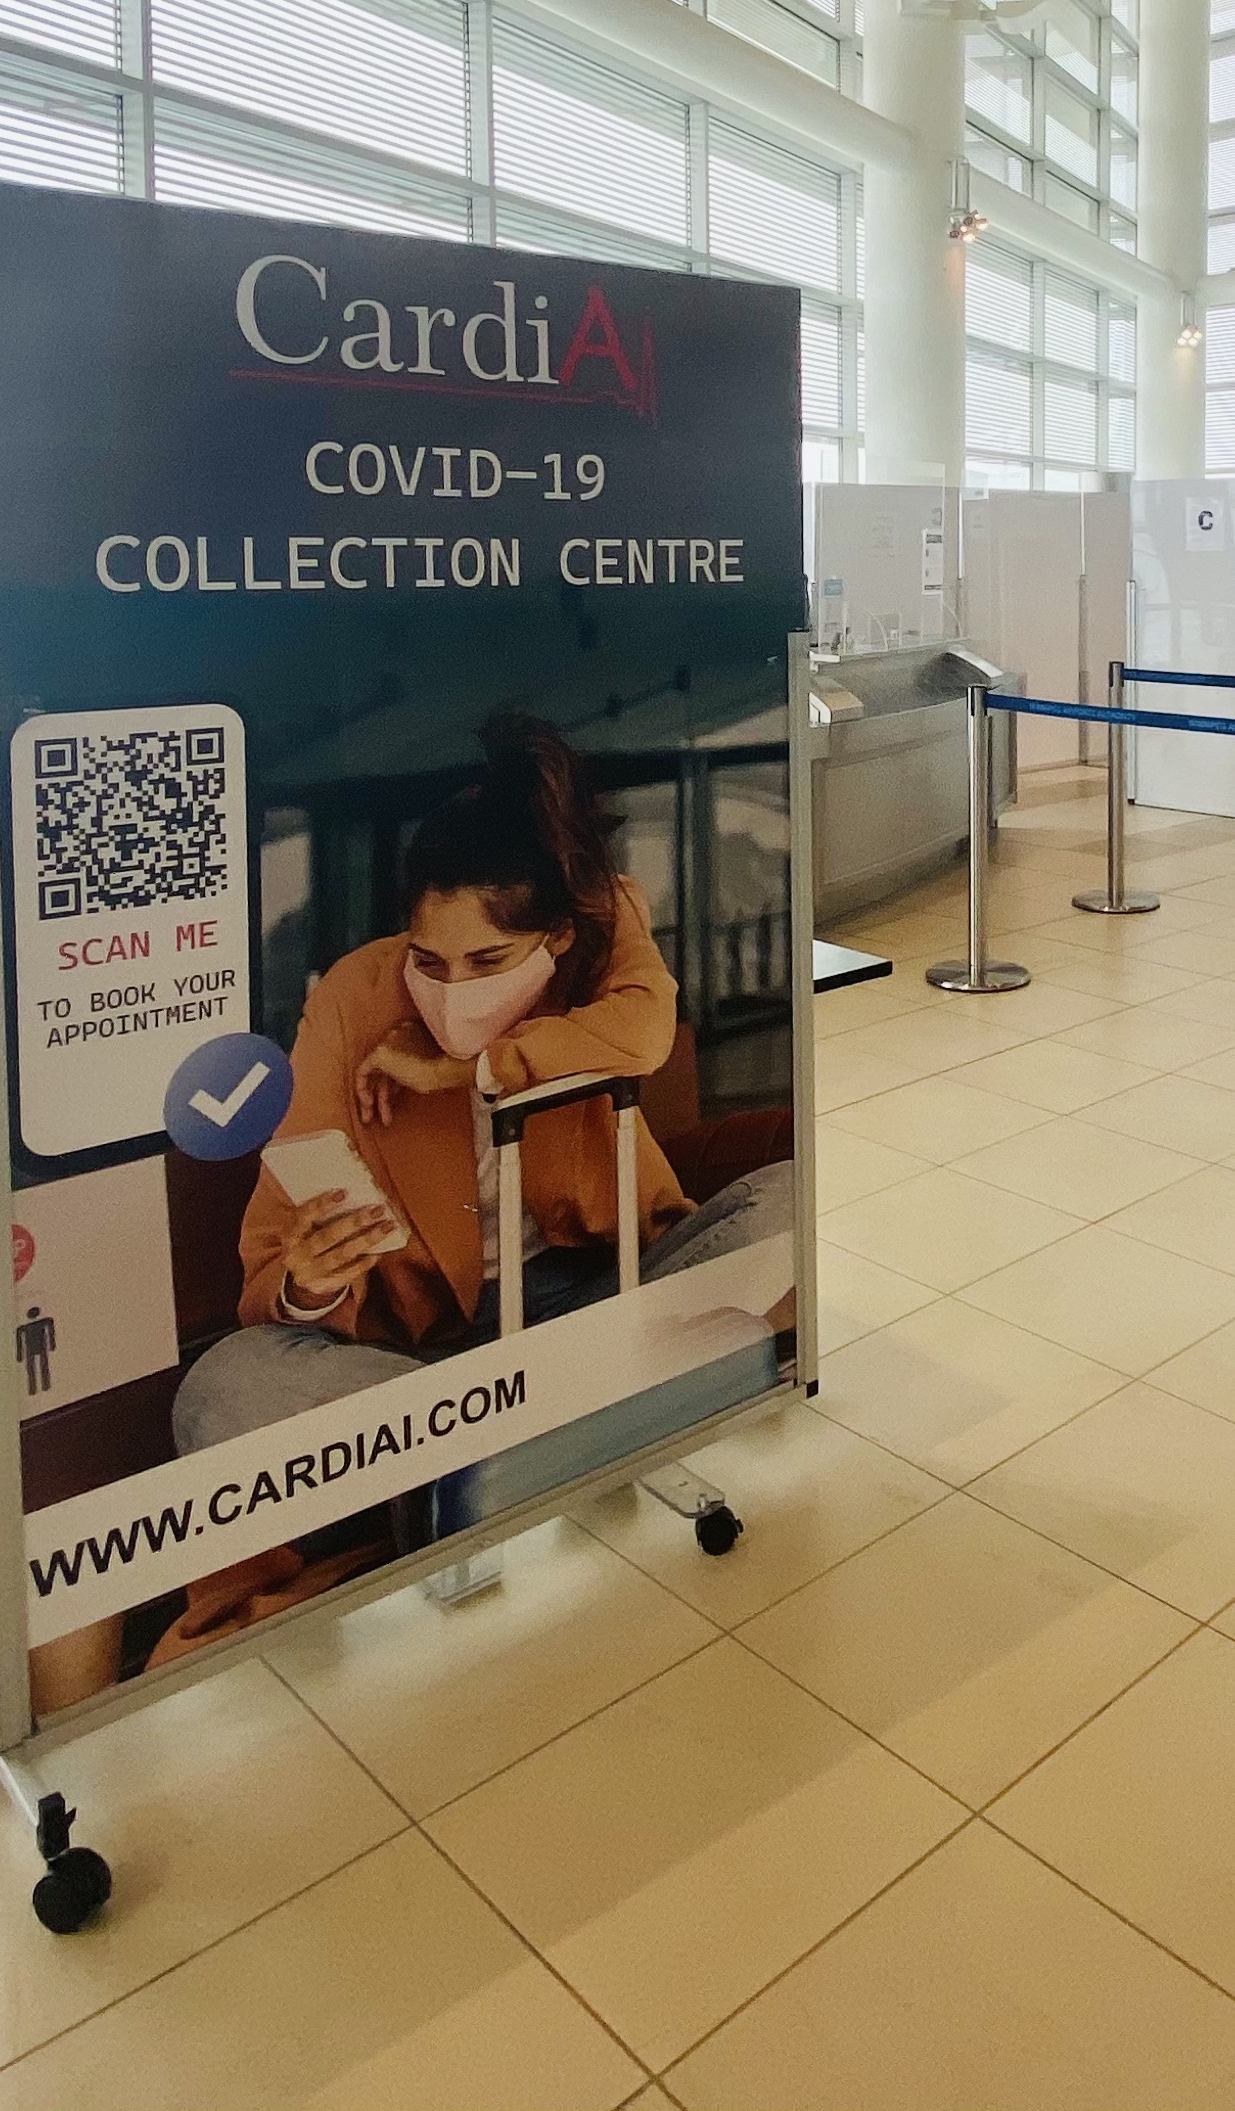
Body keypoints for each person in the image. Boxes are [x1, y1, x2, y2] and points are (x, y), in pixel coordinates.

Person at [141, 712, 787, 1662]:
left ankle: (501, 1456)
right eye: (430, 961)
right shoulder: (356, 1001)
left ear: (555, 939)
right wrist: (310, 1279)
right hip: (431, 1361)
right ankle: (540, 1433)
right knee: (221, 1390)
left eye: (488, 963)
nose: (452, 990)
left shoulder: (605, 934)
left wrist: (470, 1071)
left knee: (781, 1204)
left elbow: (644, 1037)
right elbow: (274, 1253)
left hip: (596, 1293)